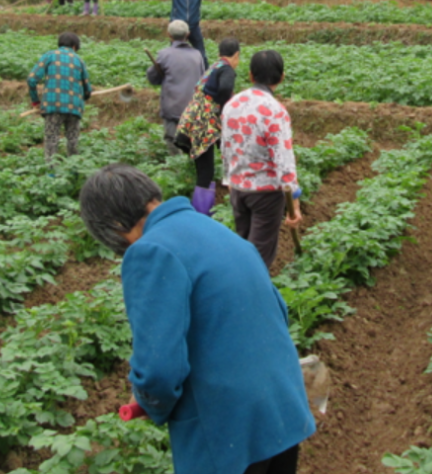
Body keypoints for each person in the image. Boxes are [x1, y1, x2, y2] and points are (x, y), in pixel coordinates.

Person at [78, 164, 315, 474]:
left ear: (116, 226)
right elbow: (277, 311)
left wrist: (148, 400)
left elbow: (159, 369)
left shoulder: (150, 250)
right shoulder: (213, 229)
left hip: (230, 432)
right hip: (282, 411)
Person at [220, 49, 302, 269]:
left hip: (238, 188)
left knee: (243, 245)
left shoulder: (232, 105)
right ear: (281, 77)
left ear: (250, 75)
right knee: (258, 256)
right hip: (265, 192)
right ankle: (250, 296)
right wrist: (294, 201)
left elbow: (225, 146)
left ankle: (238, 287)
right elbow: (283, 159)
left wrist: (229, 181)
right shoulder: (275, 111)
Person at [176, 37, 241, 215]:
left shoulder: (214, 67)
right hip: (205, 124)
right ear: (236, 55)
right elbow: (225, 88)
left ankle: (203, 209)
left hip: (194, 121)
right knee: (206, 171)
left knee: (205, 168)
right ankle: (201, 214)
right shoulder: (226, 69)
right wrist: (225, 109)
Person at [142, 0, 228, 67]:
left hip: (193, 26)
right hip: (178, 27)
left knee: (201, 54)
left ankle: (205, 77)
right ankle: (170, 73)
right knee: (174, 54)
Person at [27, 32, 92, 161]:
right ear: (74, 46)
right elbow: (88, 90)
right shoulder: (79, 60)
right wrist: (83, 97)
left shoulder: (49, 56)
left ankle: (51, 173)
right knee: (73, 140)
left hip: (52, 106)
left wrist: (36, 102)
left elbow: (31, 79)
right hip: (74, 107)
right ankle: (73, 170)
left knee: (51, 140)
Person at [146, 20, 205, 156]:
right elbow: (202, 80)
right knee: (190, 141)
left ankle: (177, 169)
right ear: (188, 34)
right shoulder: (197, 55)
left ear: (169, 35)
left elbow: (153, 79)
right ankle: (189, 166)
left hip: (172, 106)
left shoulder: (164, 55)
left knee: (172, 139)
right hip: (193, 107)